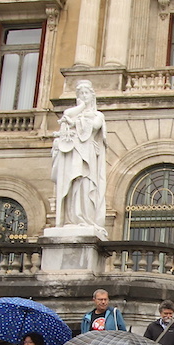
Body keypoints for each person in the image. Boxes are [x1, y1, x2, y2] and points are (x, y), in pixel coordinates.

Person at [51, 78, 107, 232]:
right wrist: (80, 107)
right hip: (73, 154)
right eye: (80, 93)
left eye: (86, 93)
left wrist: (74, 122)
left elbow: (95, 126)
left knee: (86, 185)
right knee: (72, 184)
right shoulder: (72, 114)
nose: (83, 95)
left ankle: (85, 218)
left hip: (87, 155)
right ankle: (72, 219)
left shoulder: (98, 115)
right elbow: (66, 115)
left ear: (92, 95)